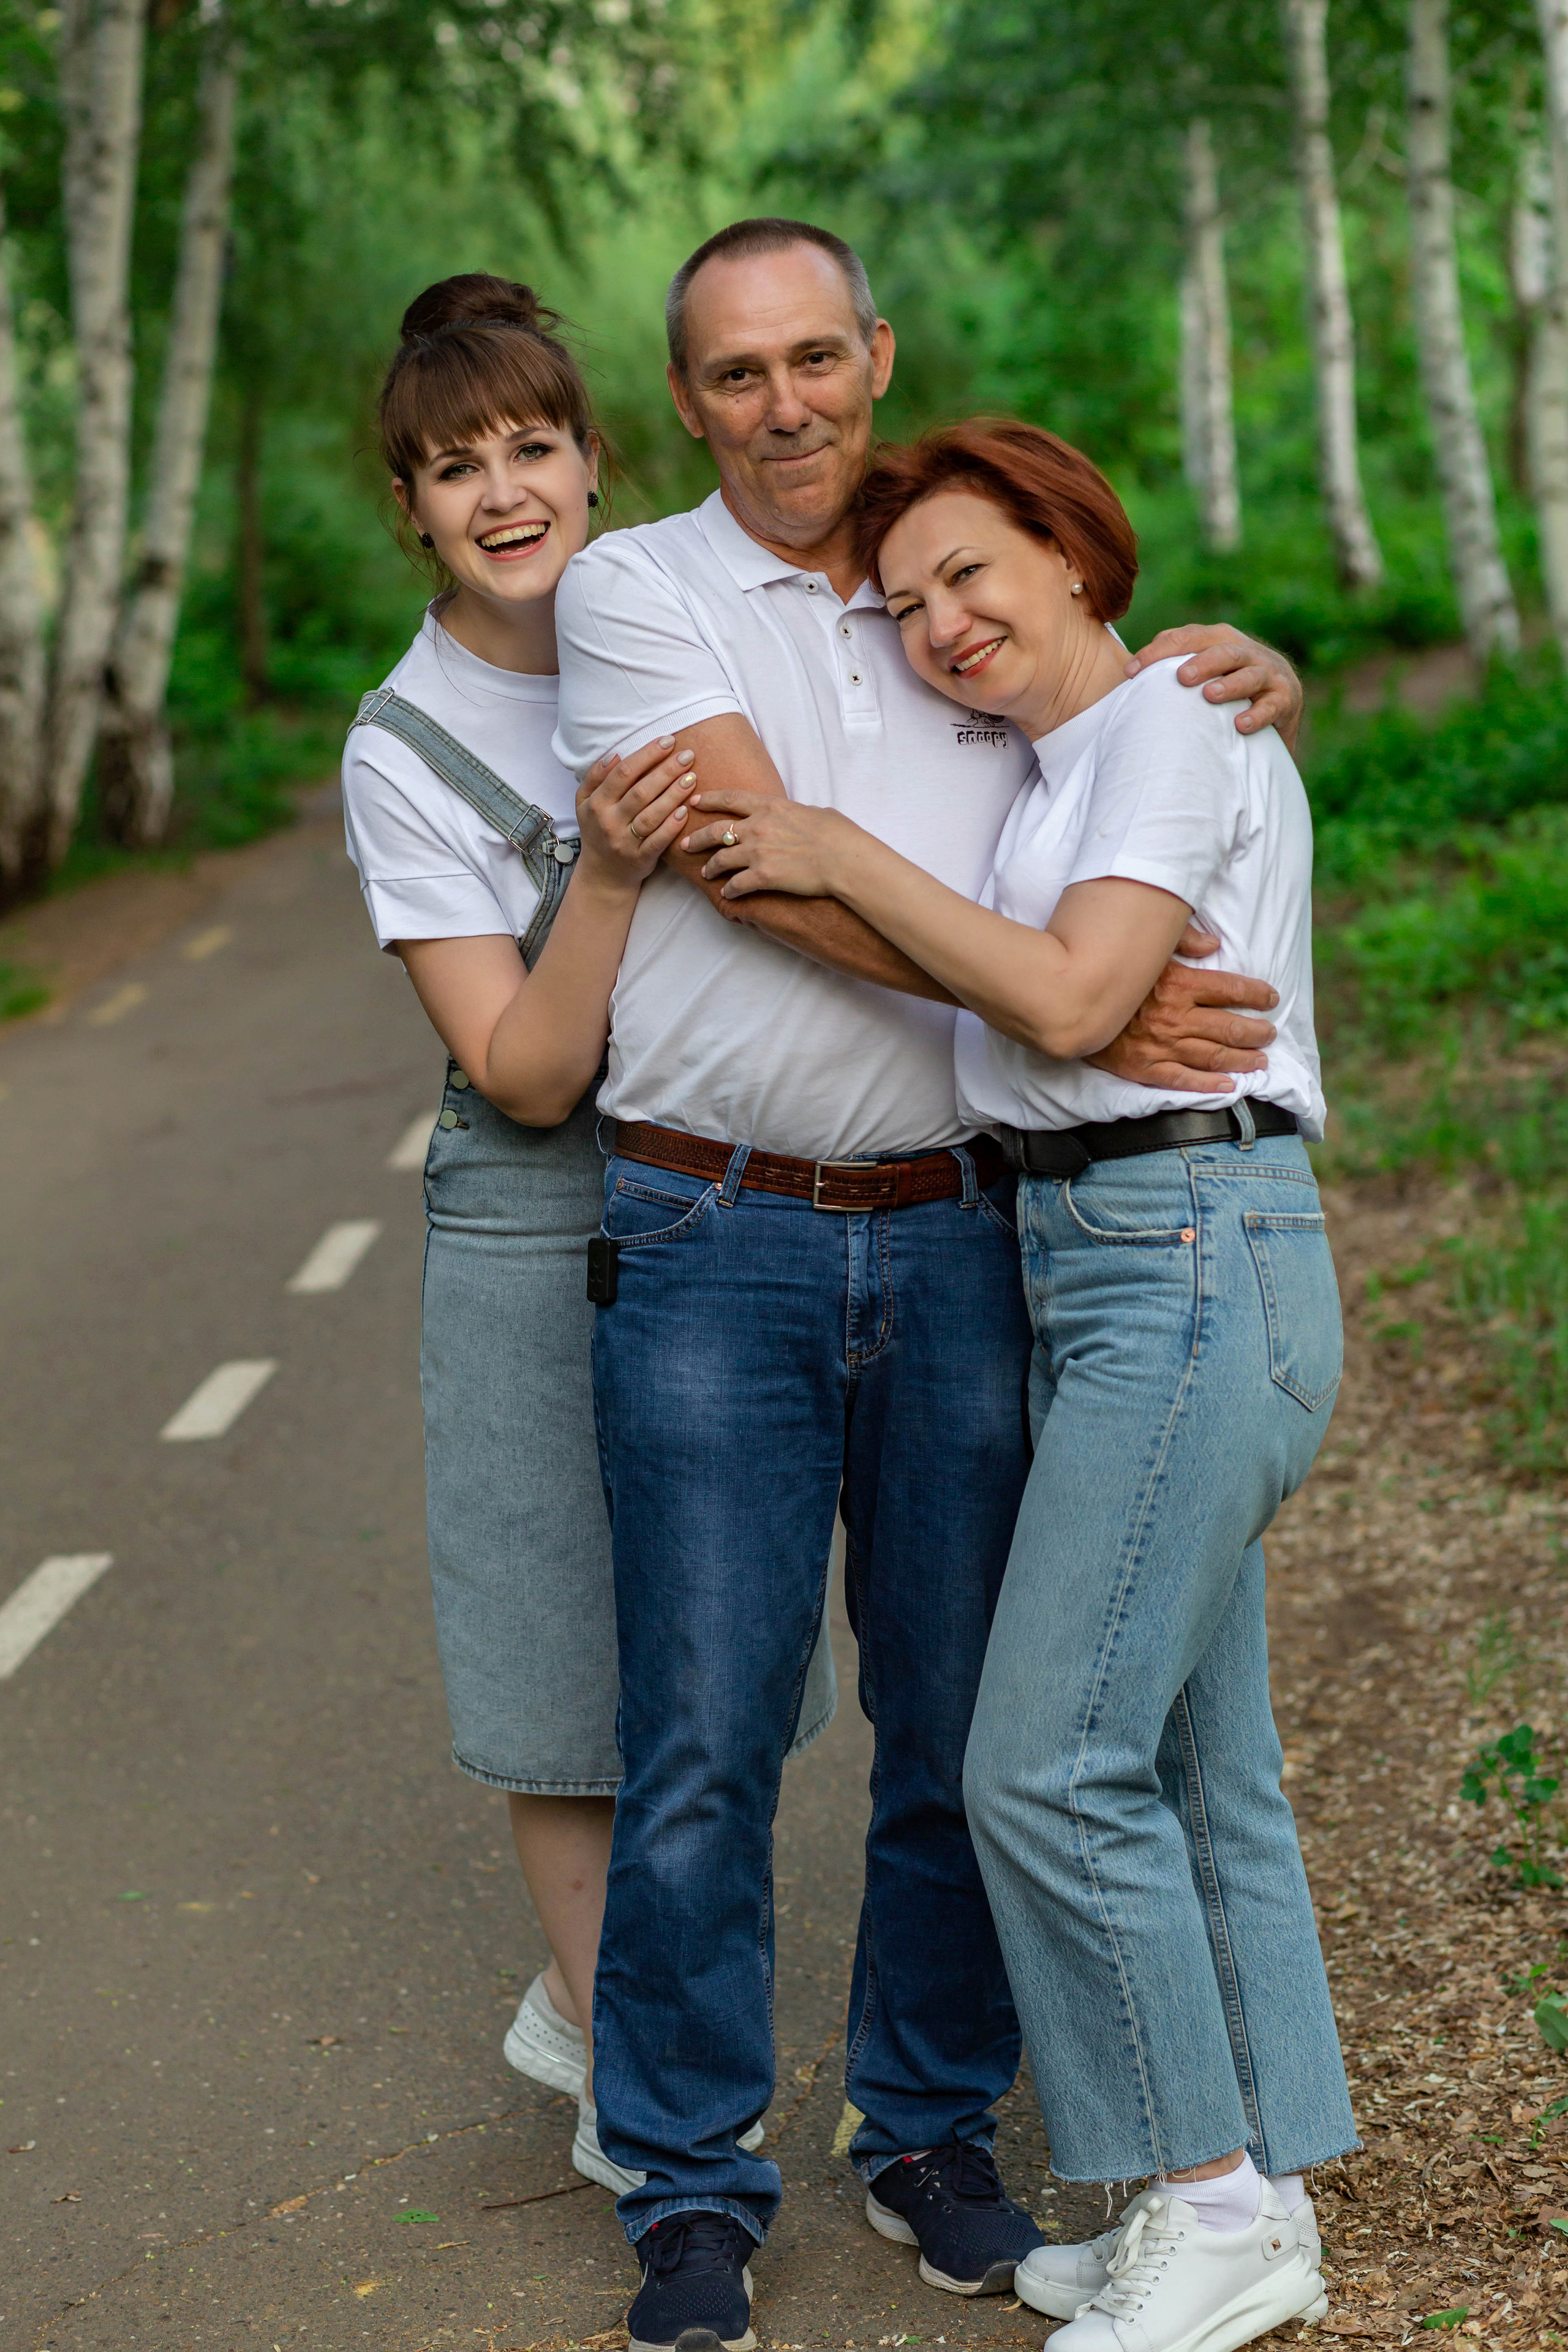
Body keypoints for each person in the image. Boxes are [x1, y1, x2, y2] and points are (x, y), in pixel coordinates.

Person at [550, 216, 1308, 2352]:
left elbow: (1136, 732)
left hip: (977, 1224)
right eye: (733, 375)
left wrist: (1250, 675)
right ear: (681, 400)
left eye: (816, 358)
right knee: (701, 1732)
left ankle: (927, 2127)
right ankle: (689, 2180)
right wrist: (1062, 1014)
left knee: (964, 1719)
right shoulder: (639, 589)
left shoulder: (944, 578)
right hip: (718, 1228)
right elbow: (753, 855)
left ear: (875, 354)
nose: (784, 406)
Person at [338, 271, 837, 2198]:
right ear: (413, 508)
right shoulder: (409, 746)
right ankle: (632, 2074)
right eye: (454, 468)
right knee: (568, 1660)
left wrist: (1208, 675)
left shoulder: (691, 601)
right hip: (549, 1210)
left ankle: (593, 1998)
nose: (503, 491)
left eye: (532, 445)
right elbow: (530, 1073)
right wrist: (613, 870)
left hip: (730, 1166)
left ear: (597, 452)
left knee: (736, 1664)